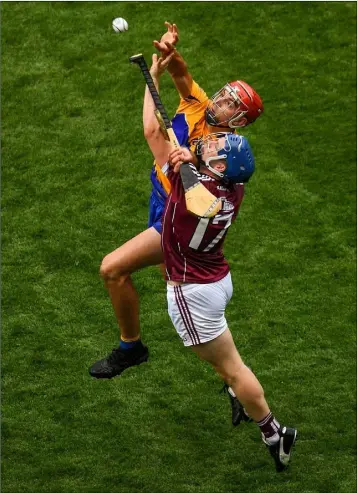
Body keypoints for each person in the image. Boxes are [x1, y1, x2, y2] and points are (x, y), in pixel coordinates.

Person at [89, 21, 263, 412]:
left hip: (174, 221)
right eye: (225, 94)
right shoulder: (200, 103)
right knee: (192, 319)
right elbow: (182, 73)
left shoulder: (222, 157)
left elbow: (152, 130)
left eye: (232, 103)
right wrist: (170, 52)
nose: (221, 100)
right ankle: (235, 382)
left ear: (239, 120)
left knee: (112, 269)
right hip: (164, 205)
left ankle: (130, 347)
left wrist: (151, 76)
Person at [142, 75, 297, 471]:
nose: (211, 141)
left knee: (231, 369)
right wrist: (191, 162)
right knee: (227, 363)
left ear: (221, 165)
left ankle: (274, 432)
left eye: (217, 146)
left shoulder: (191, 185)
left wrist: (151, 79)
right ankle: (253, 410)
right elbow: (203, 181)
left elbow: (151, 132)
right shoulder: (231, 187)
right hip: (215, 280)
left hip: (192, 291)